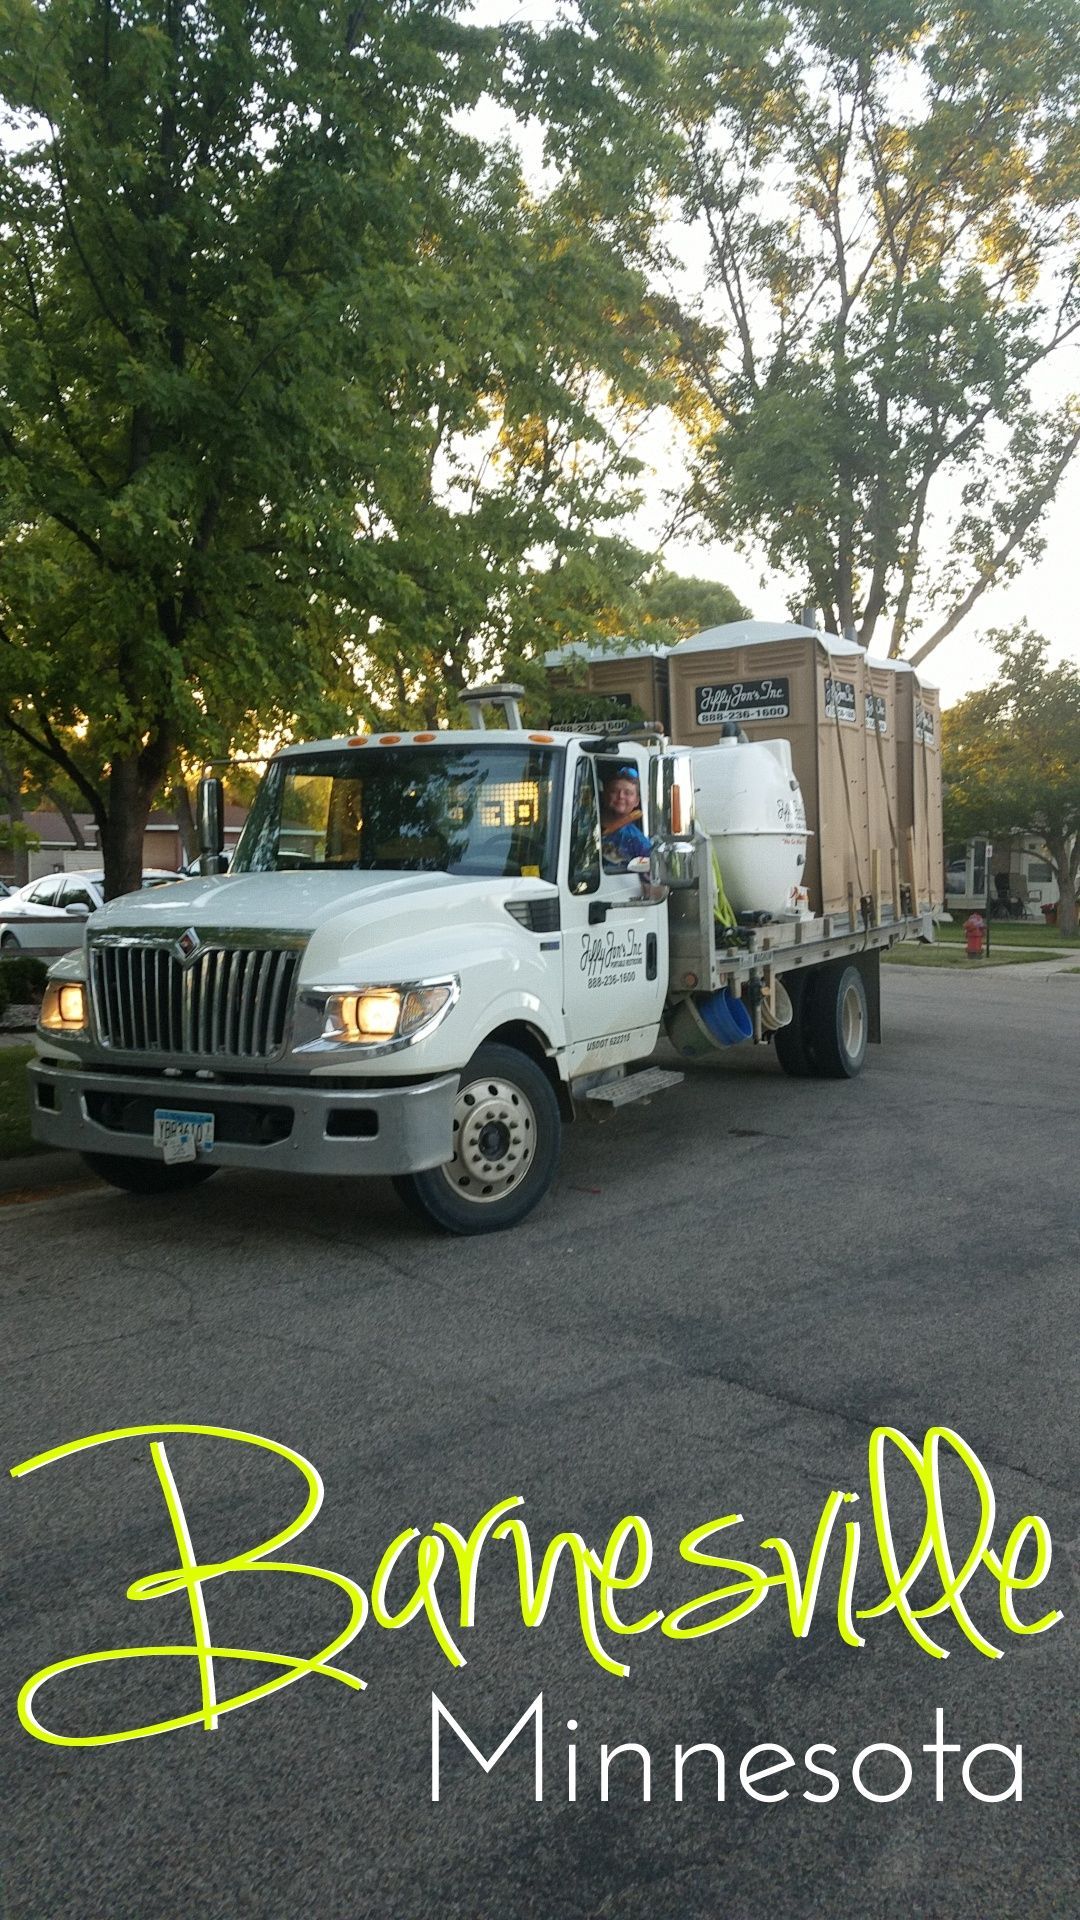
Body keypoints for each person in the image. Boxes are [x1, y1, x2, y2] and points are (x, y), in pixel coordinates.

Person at [600, 765, 651, 871]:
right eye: (614, 791)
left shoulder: (636, 839)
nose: (621, 796)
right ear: (605, 795)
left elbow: (651, 874)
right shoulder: (585, 821)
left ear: (637, 801)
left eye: (628, 793)